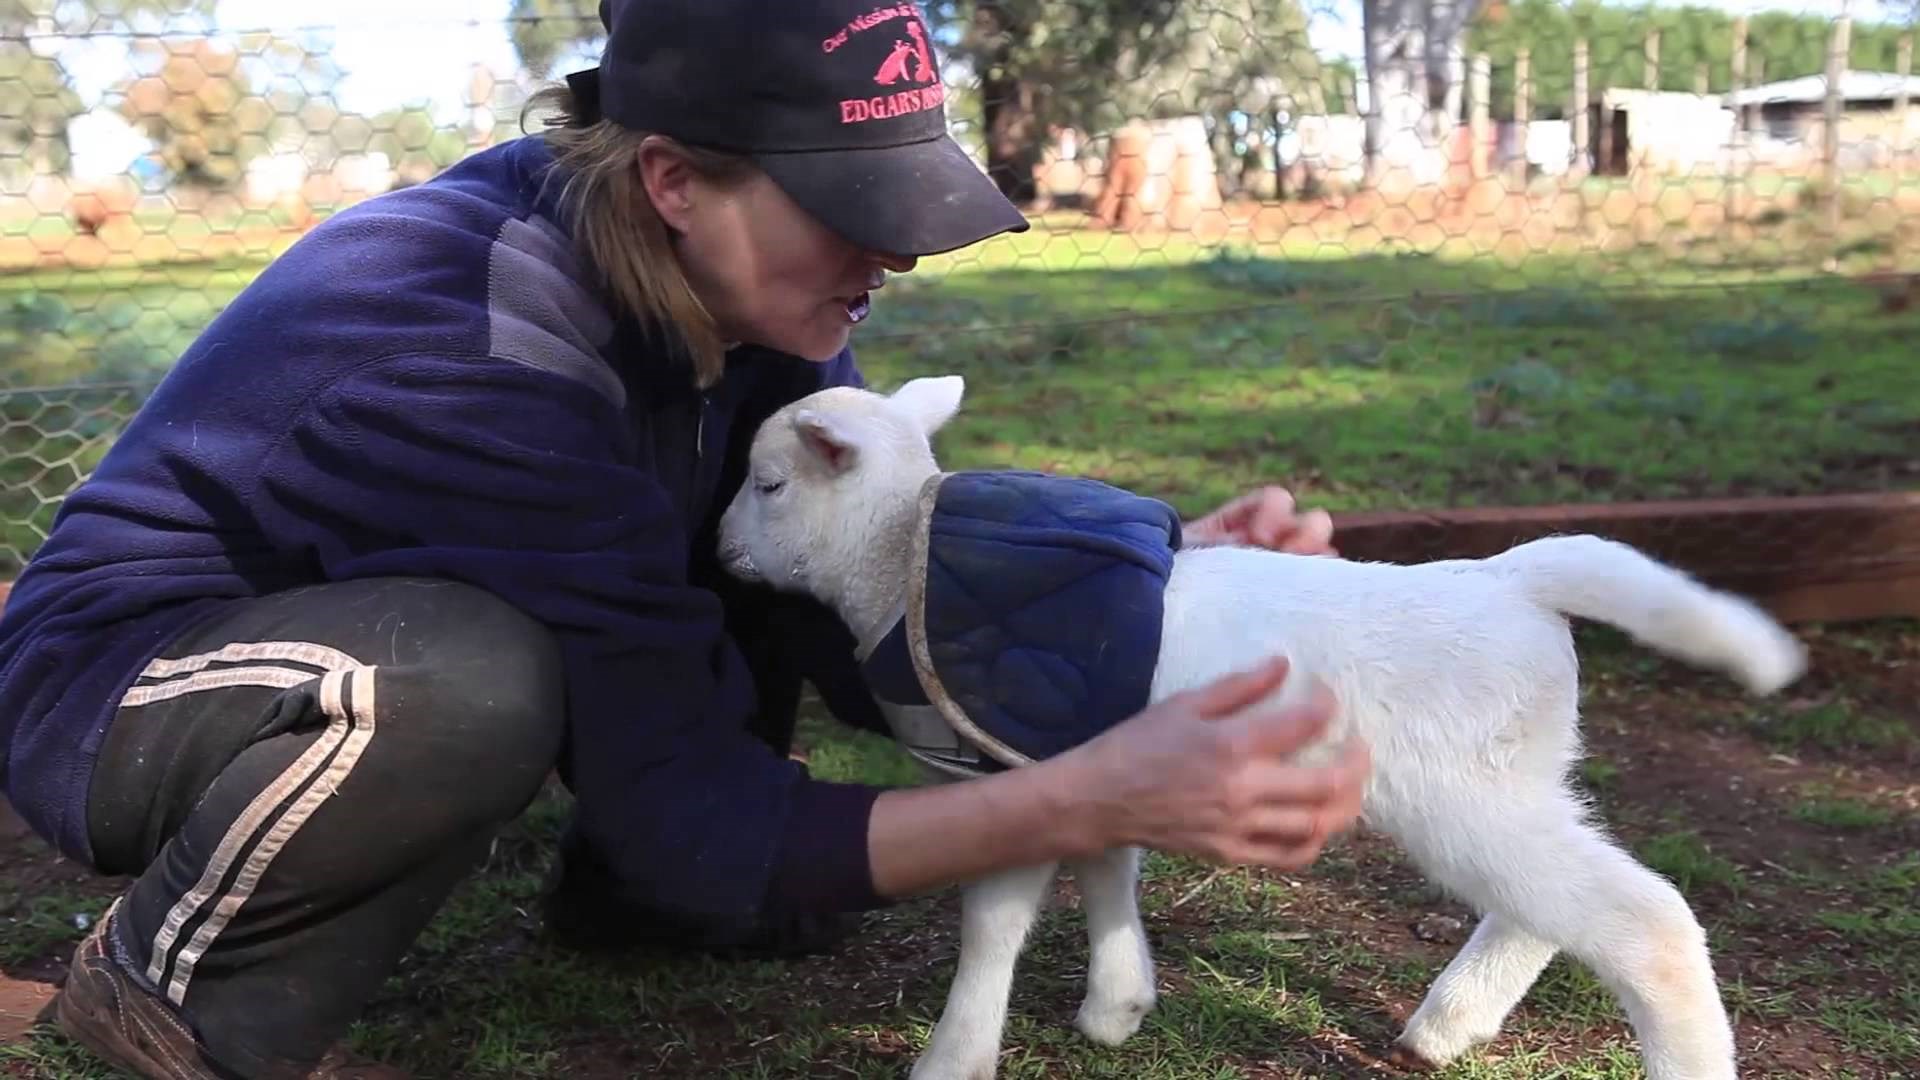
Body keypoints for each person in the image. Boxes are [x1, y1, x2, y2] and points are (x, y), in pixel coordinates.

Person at [0, 1, 1369, 1077]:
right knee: (466, 682)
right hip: (134, 686)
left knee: (767, 524)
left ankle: (637, 911)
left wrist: (1156, 573)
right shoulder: (477, 355)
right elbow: (682, 811)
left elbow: (865, 551)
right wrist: (1077, 802)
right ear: (672, 180)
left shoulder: (741, 287)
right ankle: (177, 996)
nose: (894, 257)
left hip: (389, 618)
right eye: (850, 208)